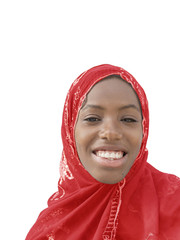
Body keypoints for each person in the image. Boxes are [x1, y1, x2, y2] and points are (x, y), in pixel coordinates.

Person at [25, 64, 180, 240]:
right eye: (92, 118)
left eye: (128, 119)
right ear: (70, 129)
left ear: (144, 129)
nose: (111, 132)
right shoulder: (48, 230)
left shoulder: (175, 204)